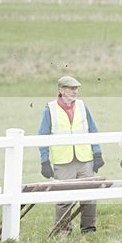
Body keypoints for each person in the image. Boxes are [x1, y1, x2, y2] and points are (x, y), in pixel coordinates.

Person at [38, 75, 104, 234]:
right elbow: (43, 135)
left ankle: (89, 230)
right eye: (71, 88)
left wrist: (97, 153)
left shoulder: (82, 106)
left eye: (76, 89)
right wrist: (44, 161)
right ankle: (63, 232)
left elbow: (93, 130)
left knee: (89, 197)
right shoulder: (50, 109)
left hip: (84, 159)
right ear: (61, 90)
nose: (75, 91)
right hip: (63, 161)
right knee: (64, 200)